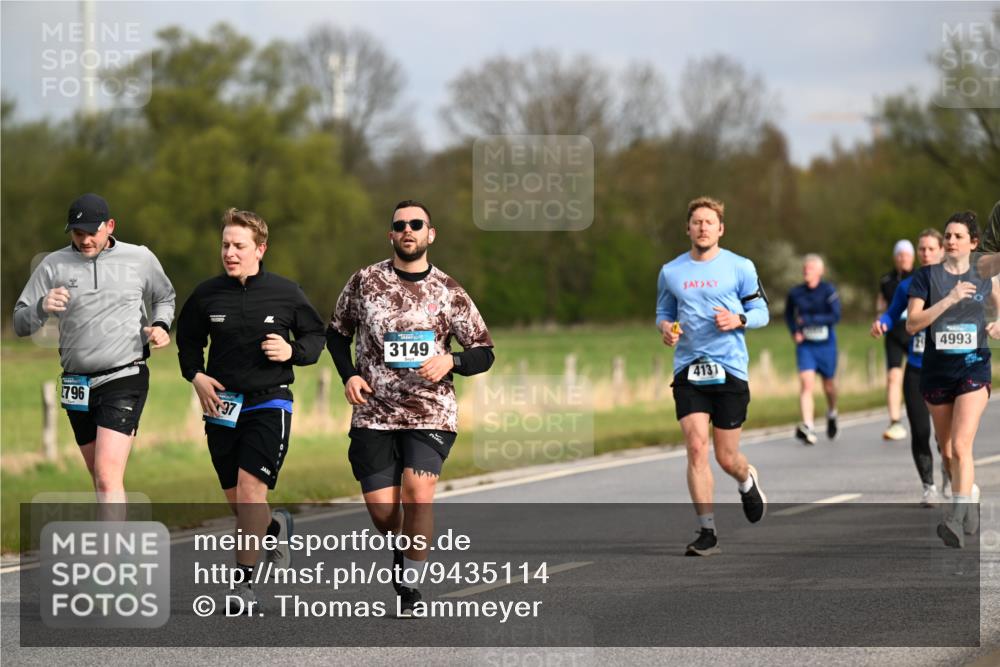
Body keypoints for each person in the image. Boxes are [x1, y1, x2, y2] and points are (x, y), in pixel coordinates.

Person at [326, 200, 495, 615]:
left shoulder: (449, 291)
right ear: (391, 235)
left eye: (416, 224)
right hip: (374, 412)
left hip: (430, 411)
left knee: (418, 495)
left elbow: (485, 352)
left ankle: (410, 586)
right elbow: (335, 334)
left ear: (430, 234)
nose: (408, 230)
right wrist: (349, 374)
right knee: (384, 513)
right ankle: (403, 547)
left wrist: (451, 360)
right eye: (400, 224)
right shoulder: (366, 281)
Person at [176, 208, 326, 611]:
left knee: (248, 493)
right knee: (239, 503)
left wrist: (292, 350)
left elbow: (315, 335)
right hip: (221, 405)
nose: (229, 252)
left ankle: (242, 588)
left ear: (260, 249)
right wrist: (196, 375)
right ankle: (275, 525)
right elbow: (188, 341)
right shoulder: (207, 294)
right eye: (225, 245)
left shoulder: (285, 292)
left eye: (238, 246)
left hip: (269, 401)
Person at [13, 193, 175, 509]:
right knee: (98, 477)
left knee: (106, 474)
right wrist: (41, 306)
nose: (85, 240)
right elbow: (20, 323)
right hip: (77, 384)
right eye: (78, 233)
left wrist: (161, 325)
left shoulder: (139, 258)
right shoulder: (53, 265)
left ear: (109, 226)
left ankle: (111, 557)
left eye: (92, 232)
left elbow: (165, 297)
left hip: (124, 375)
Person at [656, 196, 769, 557]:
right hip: (689, 367)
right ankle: (707, 532)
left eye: (709, 222)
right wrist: (666, 330)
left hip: (730, 368)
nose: (703, 227)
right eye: (696, 222)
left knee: (726, 457)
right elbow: (663, 311)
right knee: (695, 447)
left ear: (720, 228)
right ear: (687, 228)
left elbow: (762, 310)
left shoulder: (740, 267)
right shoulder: (671, 271)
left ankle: (746, 478)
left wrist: (739, 320)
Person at [906, 211, 1000, 548]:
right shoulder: (926, 277)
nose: (950, 241)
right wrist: (948, 299)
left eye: (958, 236)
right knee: (946, 452)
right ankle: (969, 493)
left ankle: (955, 519)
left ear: (974, 243)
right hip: (936, 373)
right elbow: (913, 324)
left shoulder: (984, 274)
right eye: (947, 235)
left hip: (973, 368)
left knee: (961, 446)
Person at [872, 229, 945, 505]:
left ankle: (949, 472)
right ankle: (929, 486)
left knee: (945, 439)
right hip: (915, 370)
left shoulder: (952, 283)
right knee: (921, 432)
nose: (926, 253)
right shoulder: (908, 286)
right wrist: (883, 324)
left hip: (944, 371)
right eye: (922, 248)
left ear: (941, 251)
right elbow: (892, 314)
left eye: (930, 249)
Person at [785, 254, 841, 445]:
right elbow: (788, 315)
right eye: (804, 268)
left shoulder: (828, 291)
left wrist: (810, 320)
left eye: (810, 268)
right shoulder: (795, 293)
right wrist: (795, 332)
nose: (805, 271)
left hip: (826, 345)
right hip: (806, 346)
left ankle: (832, 411)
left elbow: (835, 316)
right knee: (806, 383)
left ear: (820, 271)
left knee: (829, 386)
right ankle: (808, 426)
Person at [877, 240, 915, 441]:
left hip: (915, 333)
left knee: (918, 375)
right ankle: (895, 421)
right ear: (895, 257)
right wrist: (879, 321)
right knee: (893, 376)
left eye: (906, 254)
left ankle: (927, 412)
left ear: (912, 257)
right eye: (900, 255)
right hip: (893, 334)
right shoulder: (886, 280)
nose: (903, 258)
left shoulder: (920, 277)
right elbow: (881, 304)